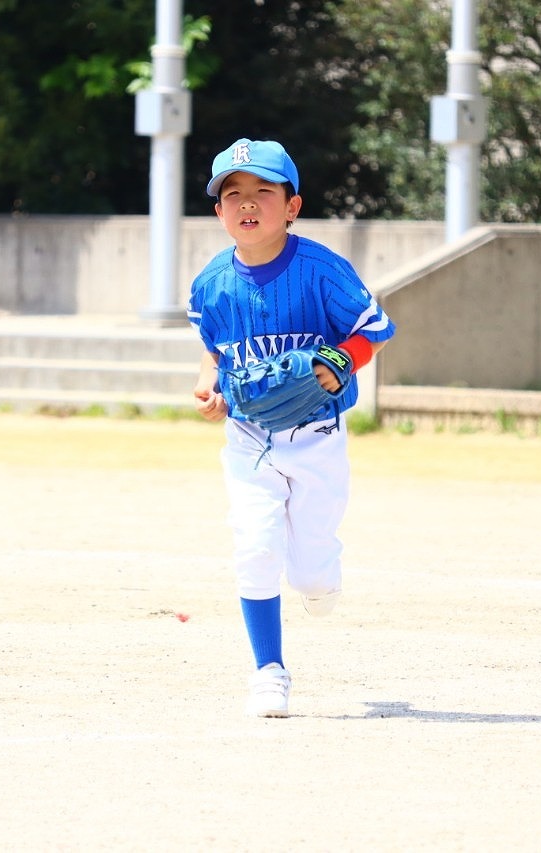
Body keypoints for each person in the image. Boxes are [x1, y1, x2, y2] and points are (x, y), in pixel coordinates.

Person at [187, 138, 397, 718]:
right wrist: (209, 387)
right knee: (254, 548)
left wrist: (340, 361)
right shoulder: (211, 283)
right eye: (234, 194)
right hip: (250, 440)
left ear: (292, 206)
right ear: (219, 212)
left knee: (310, 575)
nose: (247, 204)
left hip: (317, 438)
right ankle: (269, 672)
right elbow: (212, 349)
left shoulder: (321, 270)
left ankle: (320, 578)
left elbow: (372, 333)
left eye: (262, 192)